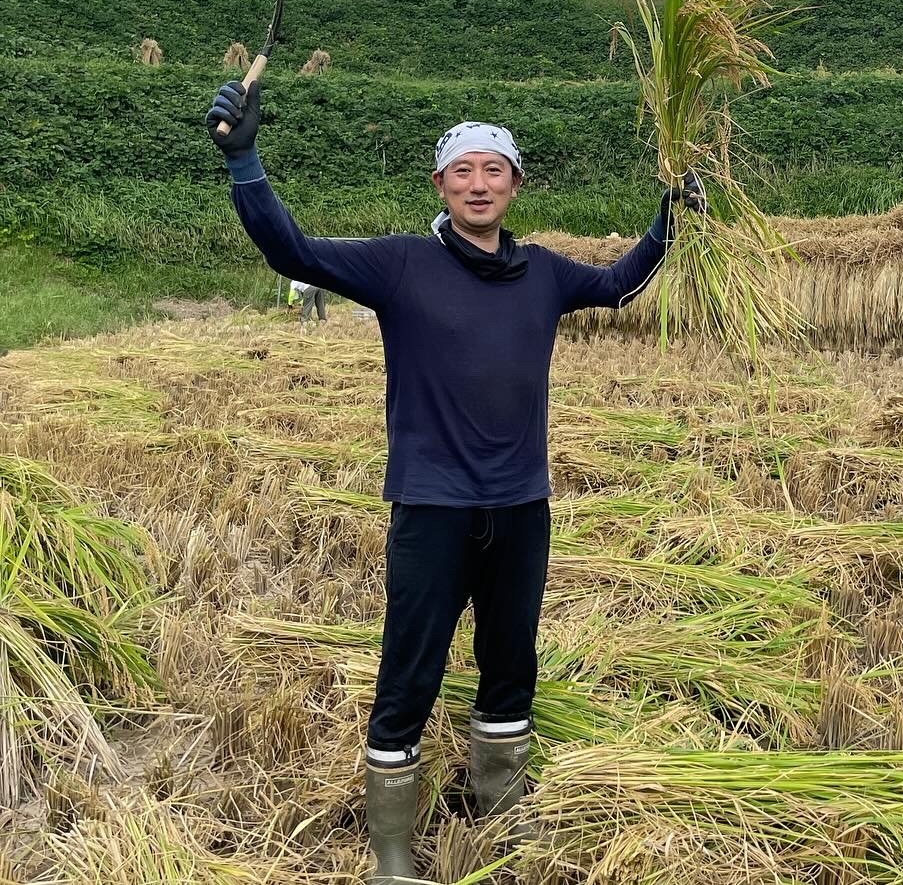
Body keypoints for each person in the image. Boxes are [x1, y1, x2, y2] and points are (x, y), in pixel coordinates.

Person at [205, 80, 704, 883]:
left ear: (514, 184)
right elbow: (291, 252)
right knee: (410, 671)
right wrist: (245, 162)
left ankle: (499, 814)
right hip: (431, 508)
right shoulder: (401, 264)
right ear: (439, 185)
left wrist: (668, 222)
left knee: (512, 664)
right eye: (463, 170)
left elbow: (618, 283)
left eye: (493, 170)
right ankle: (394, 853)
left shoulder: (543, 272)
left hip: (520, 507)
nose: (479, 184)